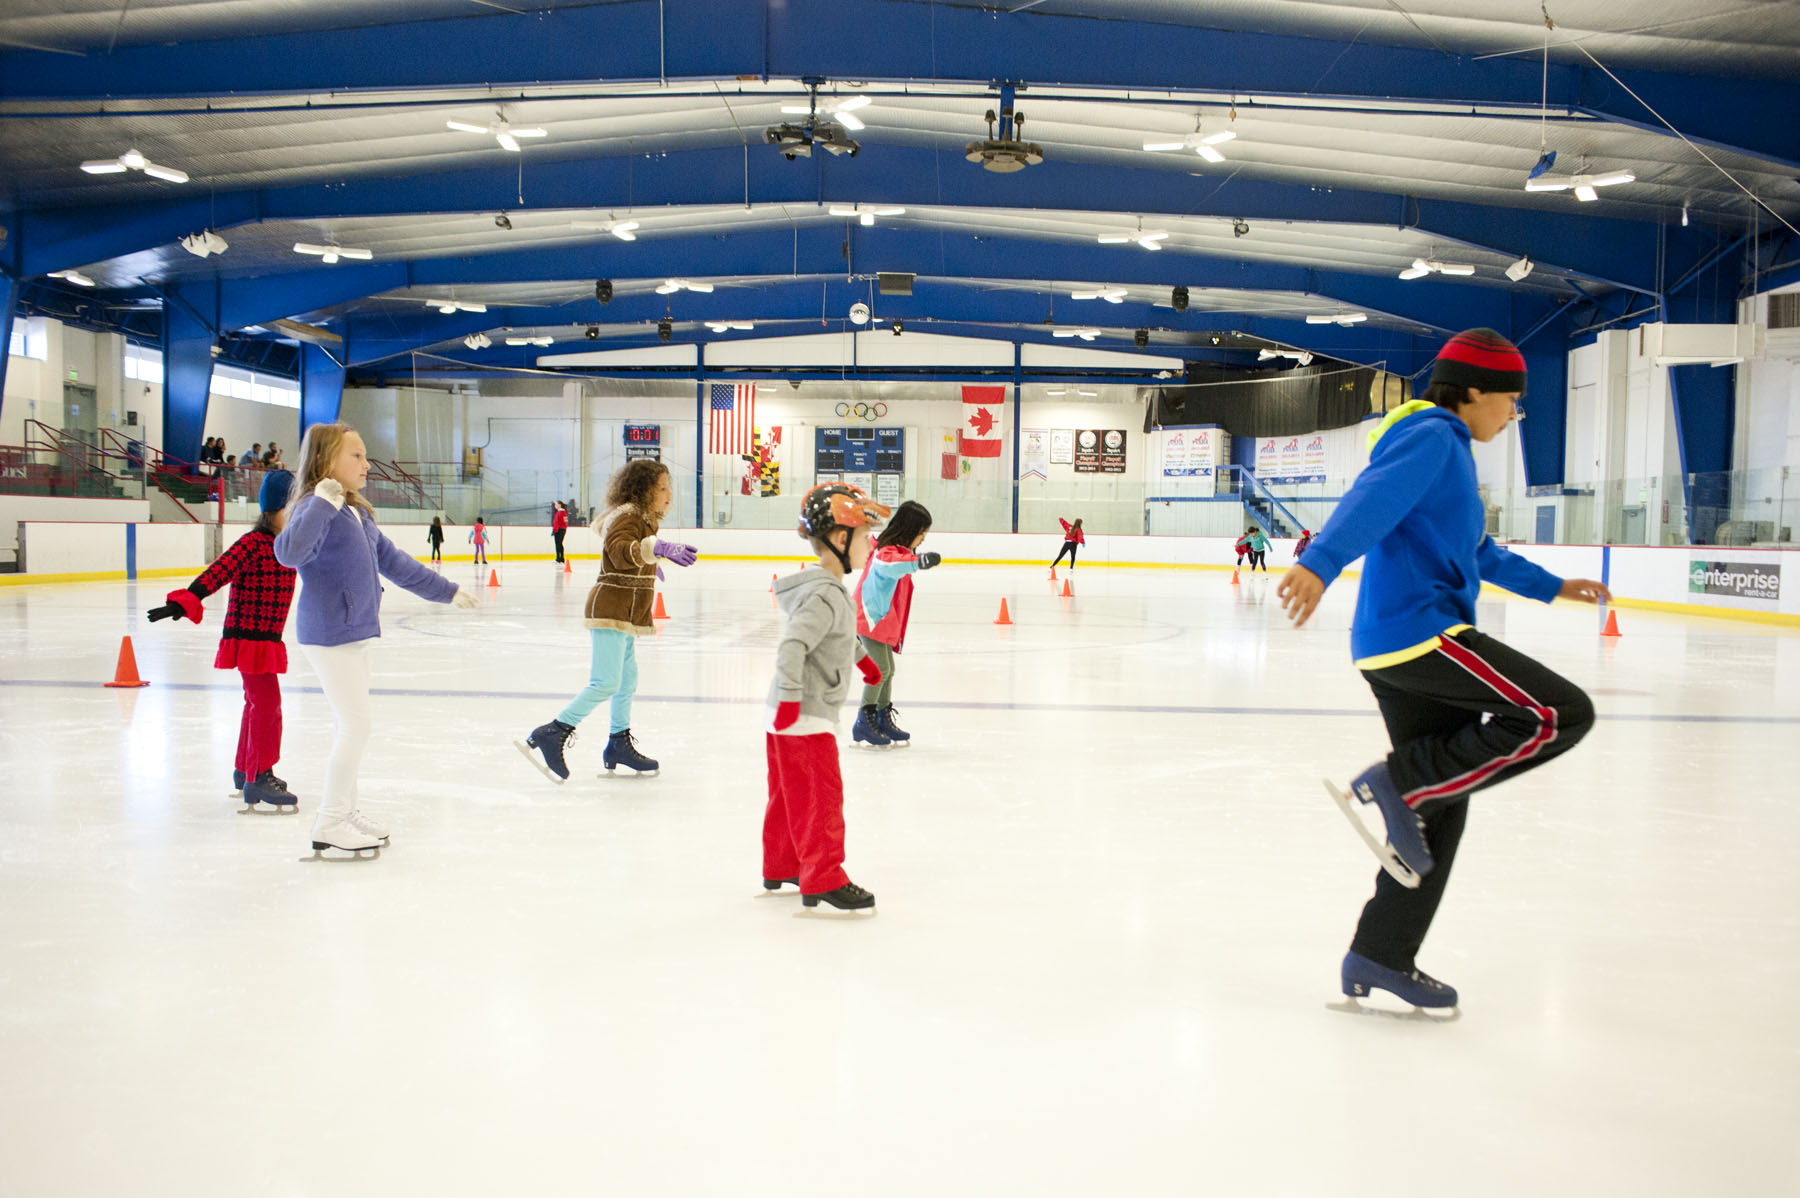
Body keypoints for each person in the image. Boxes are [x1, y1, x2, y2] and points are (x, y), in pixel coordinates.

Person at [1277, 328, 1609, 1011]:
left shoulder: (1451, 454)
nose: (1513, 416)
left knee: (1440, 811)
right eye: (1510, 401)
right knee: (1559, 712)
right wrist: (1320, 562)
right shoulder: (1431, 436)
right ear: (1475, 391)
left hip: (1403, 640)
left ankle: (1379, 955)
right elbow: (1373, 498)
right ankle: (1399, 783)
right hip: (1418, 634)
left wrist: (1554, 586)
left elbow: (1476, 550)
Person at [275, 422, 477, 858]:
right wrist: (322, 505)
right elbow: (289, 553)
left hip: (354, 630)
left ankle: (345, 812)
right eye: (356, 456)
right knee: (356, 726)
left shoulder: (356, 511)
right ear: (326, 461)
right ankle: (330, 820)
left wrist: (448, 591)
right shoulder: (316, 505)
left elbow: (395, 562)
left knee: (352, 726)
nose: (367, 465)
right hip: (329, 632)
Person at [515, 461, 697, 783]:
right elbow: (618, 550)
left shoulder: (642, 521)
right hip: (611, 610)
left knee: (626, 681)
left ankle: (618, 743)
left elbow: (632, 554)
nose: (669, 495)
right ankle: (553, 731)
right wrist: (654, 550)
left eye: (669, 487)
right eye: (662, 488)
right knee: (606, 682)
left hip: (624, 613)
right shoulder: (628, 518)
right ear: (643, 491)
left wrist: (650, 562)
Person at [762, 483, 890, 915]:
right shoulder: (825, 592)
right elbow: (793, 646)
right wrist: (792, 702)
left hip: (785, 715)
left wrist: (862, 662)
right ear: (840, 539)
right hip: (804, 714)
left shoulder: (825, 590)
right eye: (864, 536)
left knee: (786, 794)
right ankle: (824, 877)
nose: (869, 545)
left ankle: (781, 863)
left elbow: (834, 636)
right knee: (821, 797)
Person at [147, 470, 300, 809]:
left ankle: (246, 768)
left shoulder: (286, 547)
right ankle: (259, 776)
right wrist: (184, 600)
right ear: (280, 506)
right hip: (250, 639)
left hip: (266, 639)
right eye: (295, 503)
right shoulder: (254, 543)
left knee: (257, 704)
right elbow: (219, 570)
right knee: (267, 707)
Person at [850, 499, 942, 749]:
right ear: (911, 530)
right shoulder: (887, 553)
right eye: (922, 533)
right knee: (878, 671)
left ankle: (881, 717)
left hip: (882, 621)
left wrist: (913, 560)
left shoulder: (895, 551)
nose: (923, 538)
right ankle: (864, 720)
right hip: (869, 619)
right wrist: (917, 562)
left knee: (887, 670)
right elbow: (887, 565)